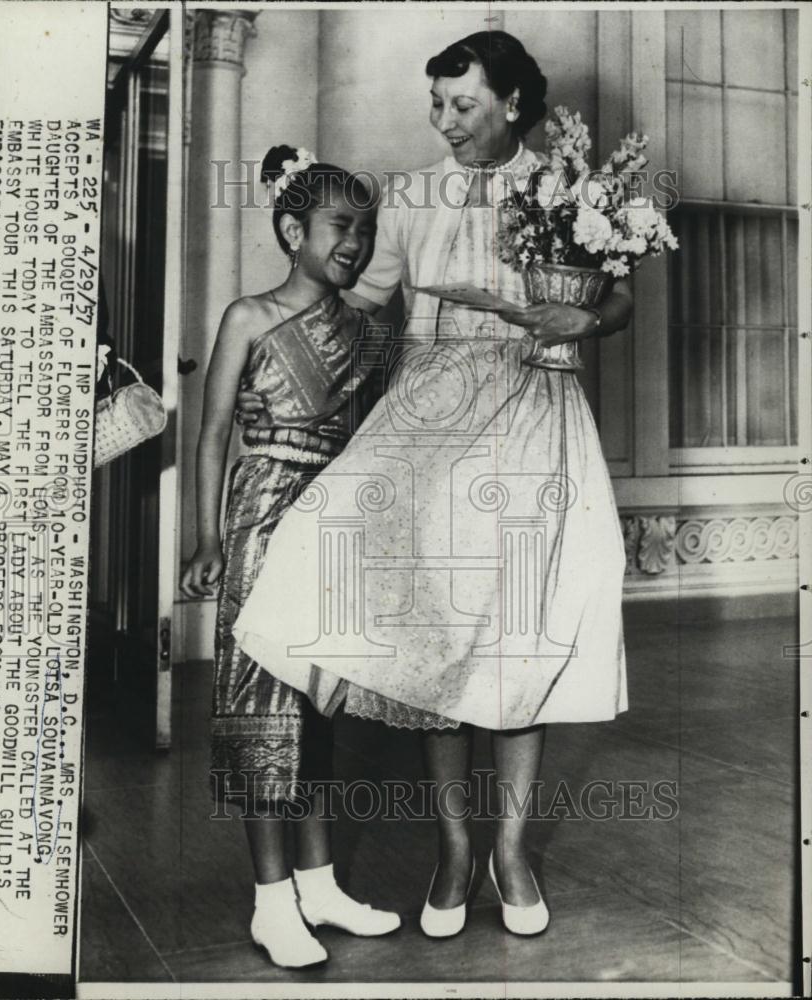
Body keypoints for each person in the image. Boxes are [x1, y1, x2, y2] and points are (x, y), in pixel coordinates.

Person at [233, 31, 633, 940]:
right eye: (438, 106)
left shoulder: (567, 187)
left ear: (513, 106)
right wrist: (266, 334)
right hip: (430, 423)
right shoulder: (408, 196)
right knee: (438, 633)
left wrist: (589, 315)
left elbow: (617, 300)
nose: (445, 122)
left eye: (463, 105)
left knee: (518, 639)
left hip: (538, 415)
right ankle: (455, 849)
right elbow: (362, 307)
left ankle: (513, 852)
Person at [179, 146, 400, 970]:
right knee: (260, 706)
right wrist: (206, 538)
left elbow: (376, 444)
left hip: (330, 522)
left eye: (366, 228)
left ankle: (319, 884)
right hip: (261, 515)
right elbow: (210, 437)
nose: (356, 240)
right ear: (290, 229)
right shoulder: (247, 316)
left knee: (317, 706)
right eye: (341, 224)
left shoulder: (369, 333)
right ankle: (272, 903)